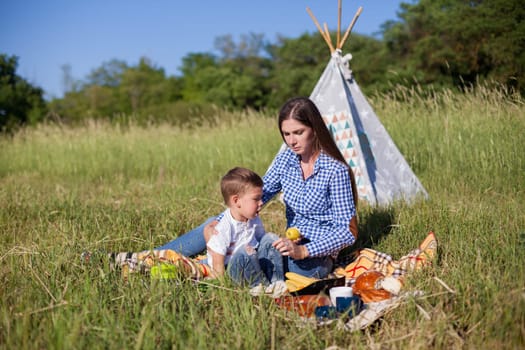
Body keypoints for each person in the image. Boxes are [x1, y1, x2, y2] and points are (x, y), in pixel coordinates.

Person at [157, 97, 358, 279]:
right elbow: (258, 192)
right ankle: (155, 257)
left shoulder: (335, 170)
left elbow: (347, 232)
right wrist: (220, 223)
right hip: (289, 244)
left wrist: (304, 251)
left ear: (314, 129)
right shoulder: (287, 158)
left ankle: (192, 268)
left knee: (265, 257)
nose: (292, 141)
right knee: (218, 225)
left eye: (298, 132)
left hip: (315, 256)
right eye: (286, 134)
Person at [108, 167, 286, 296]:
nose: (262, 203)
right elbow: (217, 260)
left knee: (271, 238)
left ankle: (277, 282)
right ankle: (260, 287)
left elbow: (263, 241)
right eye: (257, 199)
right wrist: (220, 284)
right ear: (237, 201)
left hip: (251, 260)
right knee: (245, 253)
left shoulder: (253, 217)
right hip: (232, 266)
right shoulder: (224, 227)